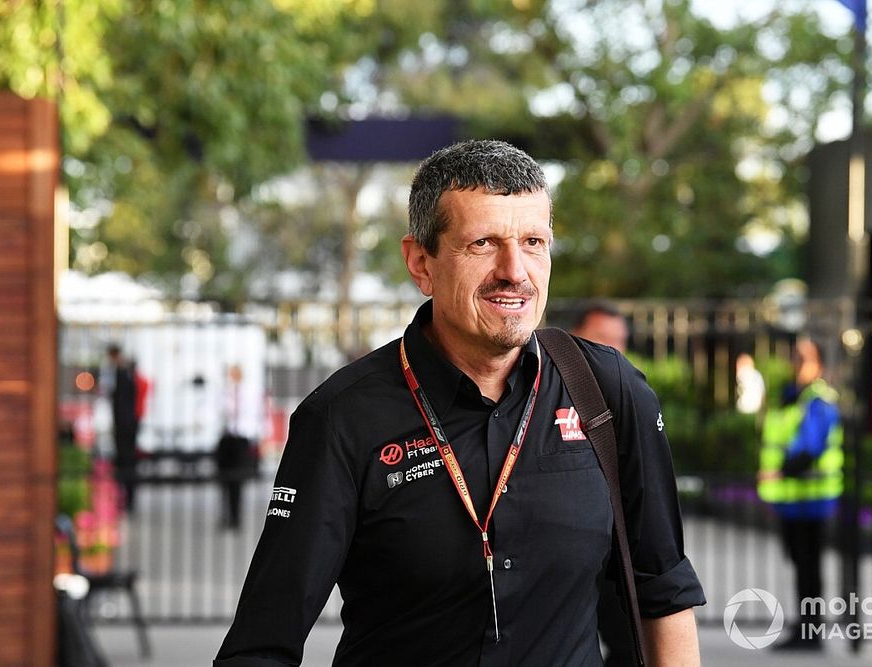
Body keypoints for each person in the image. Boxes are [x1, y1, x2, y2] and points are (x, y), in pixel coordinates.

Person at [216, 140, 704, 666]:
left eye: (534, 242)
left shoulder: (606, 390)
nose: (514, 270)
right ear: (420, 263)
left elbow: (664, 592)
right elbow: (262, 645)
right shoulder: (342, 417)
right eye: (483, 243)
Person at [757, 338, 843, 651]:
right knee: (802, 567)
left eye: (804, 358)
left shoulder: (819, 400)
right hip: (792, 499)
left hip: (812, 499)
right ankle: (805, 628)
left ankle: (810, 632)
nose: (797, 364)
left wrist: (779, 473)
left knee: (809, 569)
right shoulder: (792, 398)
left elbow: (810, 447)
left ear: (819, 364)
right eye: (795, 357)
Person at [569, 301, 634, 667]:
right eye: (601, 339)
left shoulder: (631, 395)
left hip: (618, 548)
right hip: (565, 551)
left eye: (619, 340)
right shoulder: (542, 394)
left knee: (628, 645)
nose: (612, 350)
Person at [216, 365, 262, 530]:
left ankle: (235, 516)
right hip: (227, 438)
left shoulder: (249, 392)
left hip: (241, 439)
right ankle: (226, 514)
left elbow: (255, 414)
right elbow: (221, 410)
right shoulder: (225, 392)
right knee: (224, 478)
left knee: (237, 480)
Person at [102, 344, 139, 511]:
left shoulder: (121, 373)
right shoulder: (126, 373)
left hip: (124, 426)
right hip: (126, 424)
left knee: (126, 462)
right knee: (126, 462)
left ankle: (127, 499)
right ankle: (126, 499)